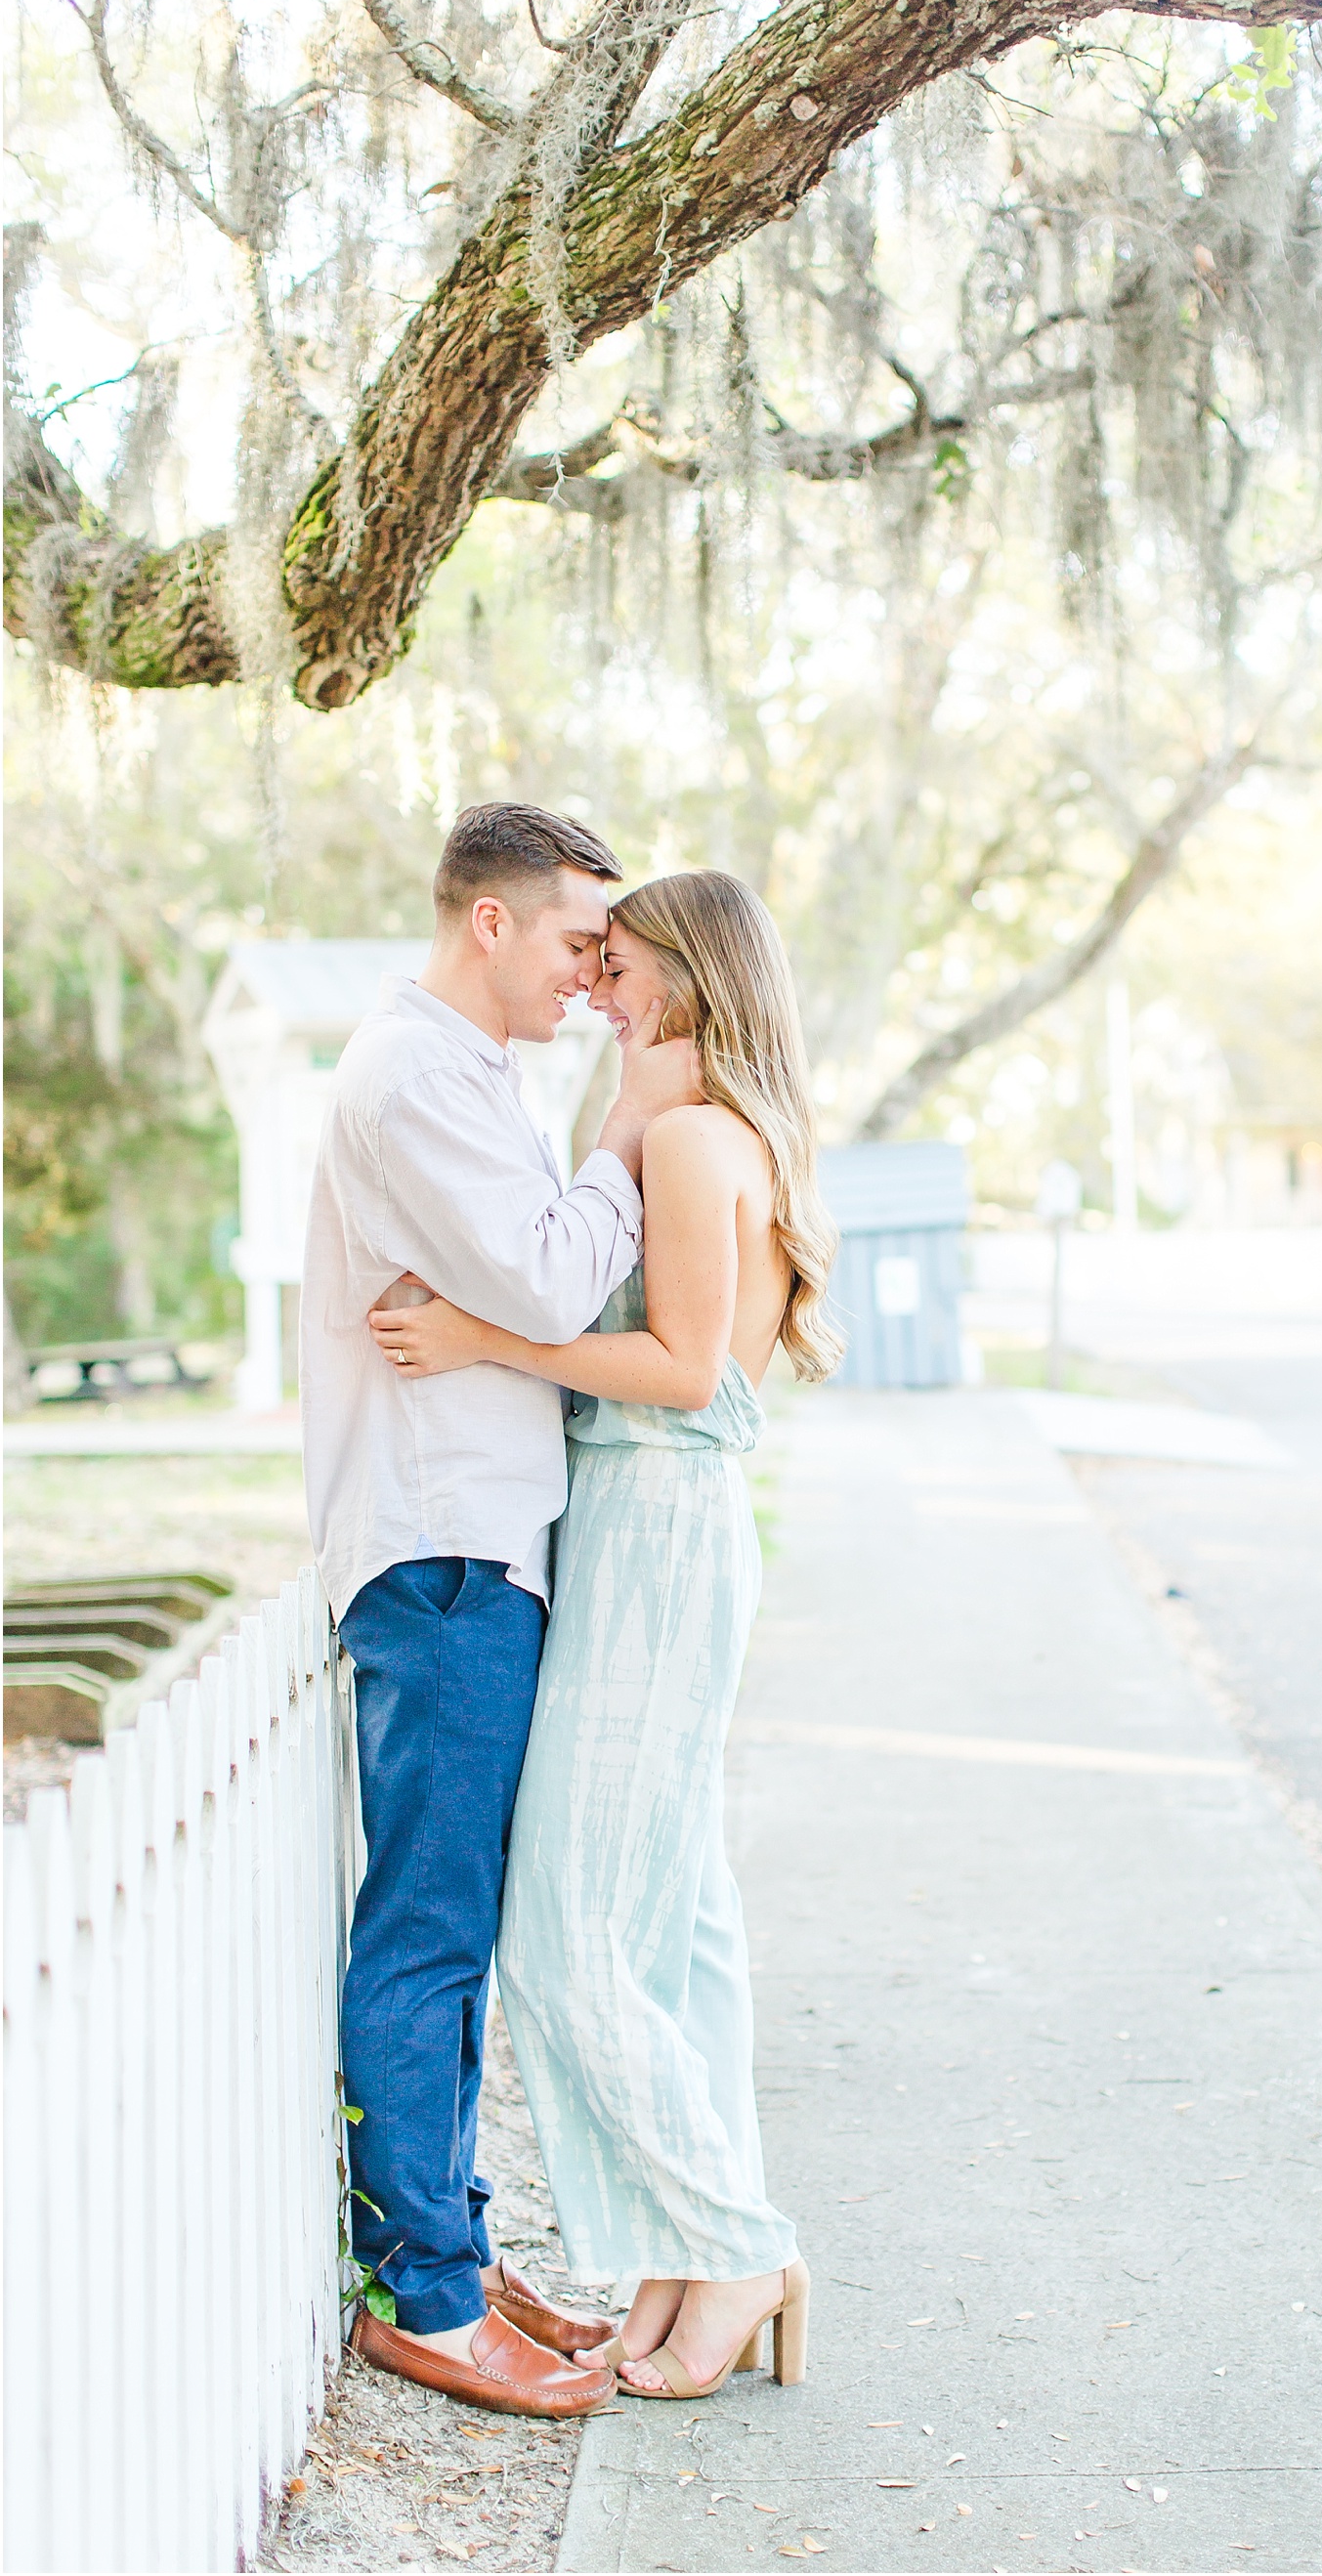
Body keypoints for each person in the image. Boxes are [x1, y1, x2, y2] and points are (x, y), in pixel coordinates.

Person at [368, 869, 843, 2401]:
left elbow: (690, 1367)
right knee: (674, 1922)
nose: (598, 987)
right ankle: (683, 2250)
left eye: (621, 963)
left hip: (660, 1530)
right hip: (634, 1530)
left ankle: (740, 2237)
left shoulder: (699, 1137)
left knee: (569, 1935)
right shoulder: (669, 1125)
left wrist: (481, 1336)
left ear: (691, 979)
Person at [301, 800, 702, 2420]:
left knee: (455, 1932)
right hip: (438, 1547)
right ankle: (424, 2294)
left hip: (478, 1539)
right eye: (574, 944)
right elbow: (548, 1283)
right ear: (490, 923)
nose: (593, 981)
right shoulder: (411, 1074)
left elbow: (523, 1294)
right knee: (428, 1926)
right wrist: (624, 1130)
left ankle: (452, 2245)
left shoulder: (469, 1077)